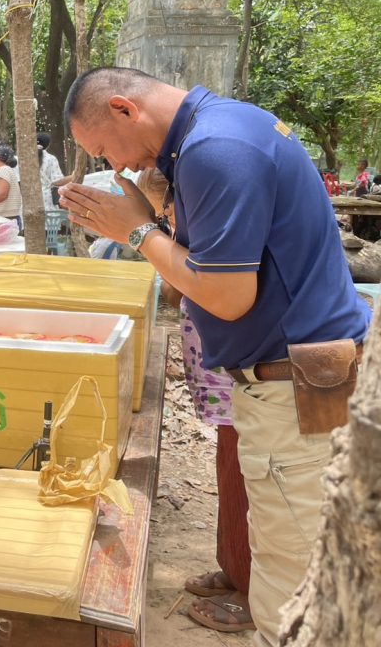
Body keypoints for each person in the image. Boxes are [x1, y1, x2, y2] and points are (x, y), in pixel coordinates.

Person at [59, 67, 370, 647]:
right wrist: (150, 219)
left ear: (125, 108)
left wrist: (137, 233)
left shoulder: (214, 147)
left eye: (104, 150)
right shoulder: (223, 129)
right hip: (305, 378)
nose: (116, 165)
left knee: (296, 589)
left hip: (296, 391)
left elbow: (227, 295)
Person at [135, 168, 253, 633]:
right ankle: (235, 567)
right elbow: (174, 291)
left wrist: (149, 235)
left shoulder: (222, 236)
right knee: (231, 474)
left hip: (246, 383)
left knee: (248, 482)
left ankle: (253, 591)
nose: (166, 223)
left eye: (166, 214)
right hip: (224, 391)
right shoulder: (187, 241)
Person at [37, 131, 65, 211]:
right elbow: (57, 181)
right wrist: (73, 176)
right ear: (48, 145)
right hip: (46, 199)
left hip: (29, 199)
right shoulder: (50, 159)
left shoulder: (26, 159)